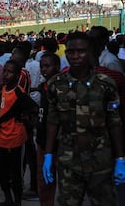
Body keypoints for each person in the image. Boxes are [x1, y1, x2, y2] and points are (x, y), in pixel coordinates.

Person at [43, 32, 125, 205]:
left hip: (100, 161)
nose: (75, 56)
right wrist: (48, 155)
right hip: (68, 161)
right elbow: (52, 121)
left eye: (81, 51)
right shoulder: (56, 84)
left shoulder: (106, 84)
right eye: (71, 51)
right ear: (66, 53)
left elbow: (115, 123)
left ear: (90, 53)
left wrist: (120, 158)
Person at [0, 59, 38, 206]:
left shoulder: (19, 92)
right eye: (4, 71)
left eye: (10, 72)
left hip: (16, 139)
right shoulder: (2, 88)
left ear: (18, 74)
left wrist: (25, 118)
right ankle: (8, 198)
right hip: (2, 138)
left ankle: (17, 201)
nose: (6, 74)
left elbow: (34, 108)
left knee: (16, 174)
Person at [36, 53, 60, 206]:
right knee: (44, 180)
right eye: (42, 66)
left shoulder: (61, 87)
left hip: (60, 143)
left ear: (57, 67)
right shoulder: (42, 87)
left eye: (47, 66)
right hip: (42, 141)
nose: (44, 69)